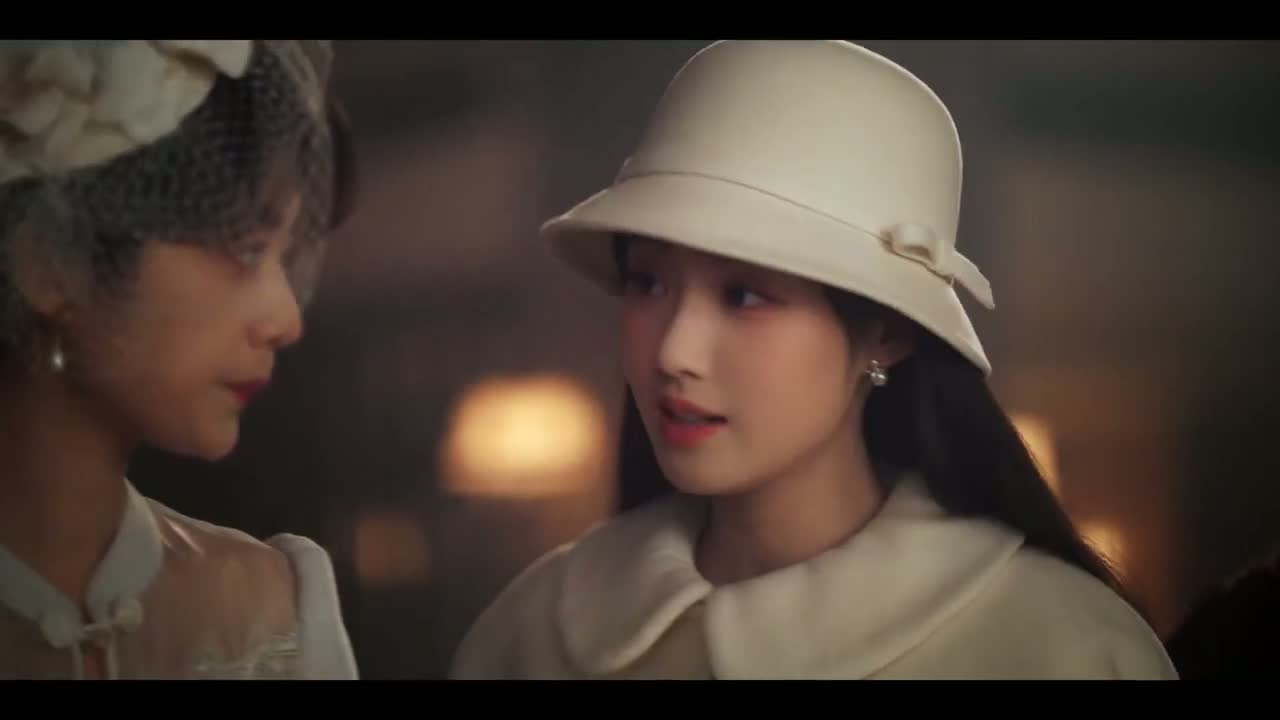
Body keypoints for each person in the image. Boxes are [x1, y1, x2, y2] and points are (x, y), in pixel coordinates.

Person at [448, 40, 1178, 680]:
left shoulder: (1061, 644)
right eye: (647, 282)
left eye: (744, 295)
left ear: (887, 335)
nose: (673, 351)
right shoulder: (534, 632)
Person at [0, 40, 360, 679]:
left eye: (285, 257)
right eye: (246, 250)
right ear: (52, 262)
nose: (286, 320)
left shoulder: (273, 611)